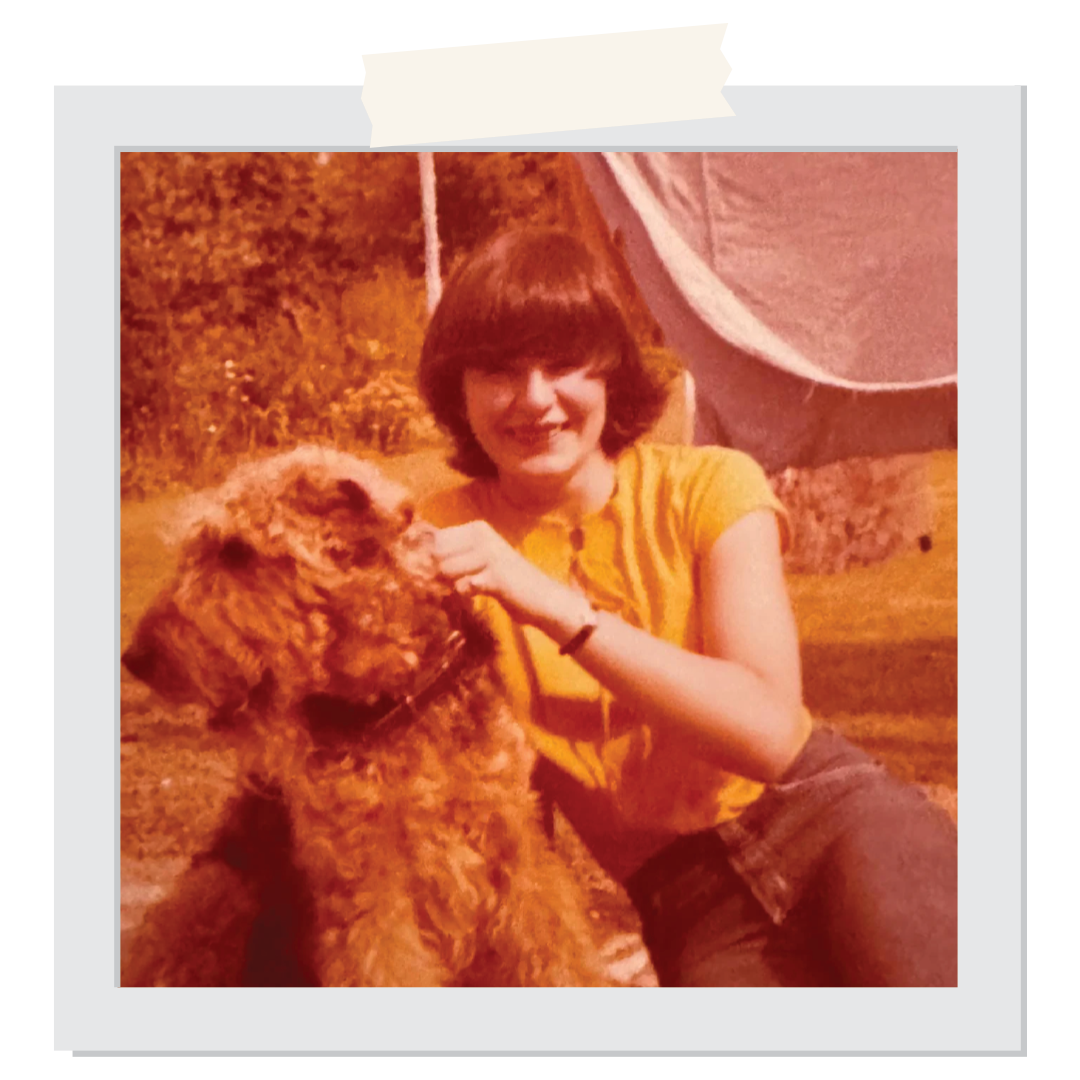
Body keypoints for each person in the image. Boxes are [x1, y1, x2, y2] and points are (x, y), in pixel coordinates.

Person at [416, 226, 958, 987]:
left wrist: (555, 608)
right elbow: (484, 784)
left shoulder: (711, 486)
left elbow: (769, 731)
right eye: (499, 371)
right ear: (459, 388)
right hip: (688, 900)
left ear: (610, 371)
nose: (534, 398)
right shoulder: (440, 536)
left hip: (829, 814)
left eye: (563, 363)